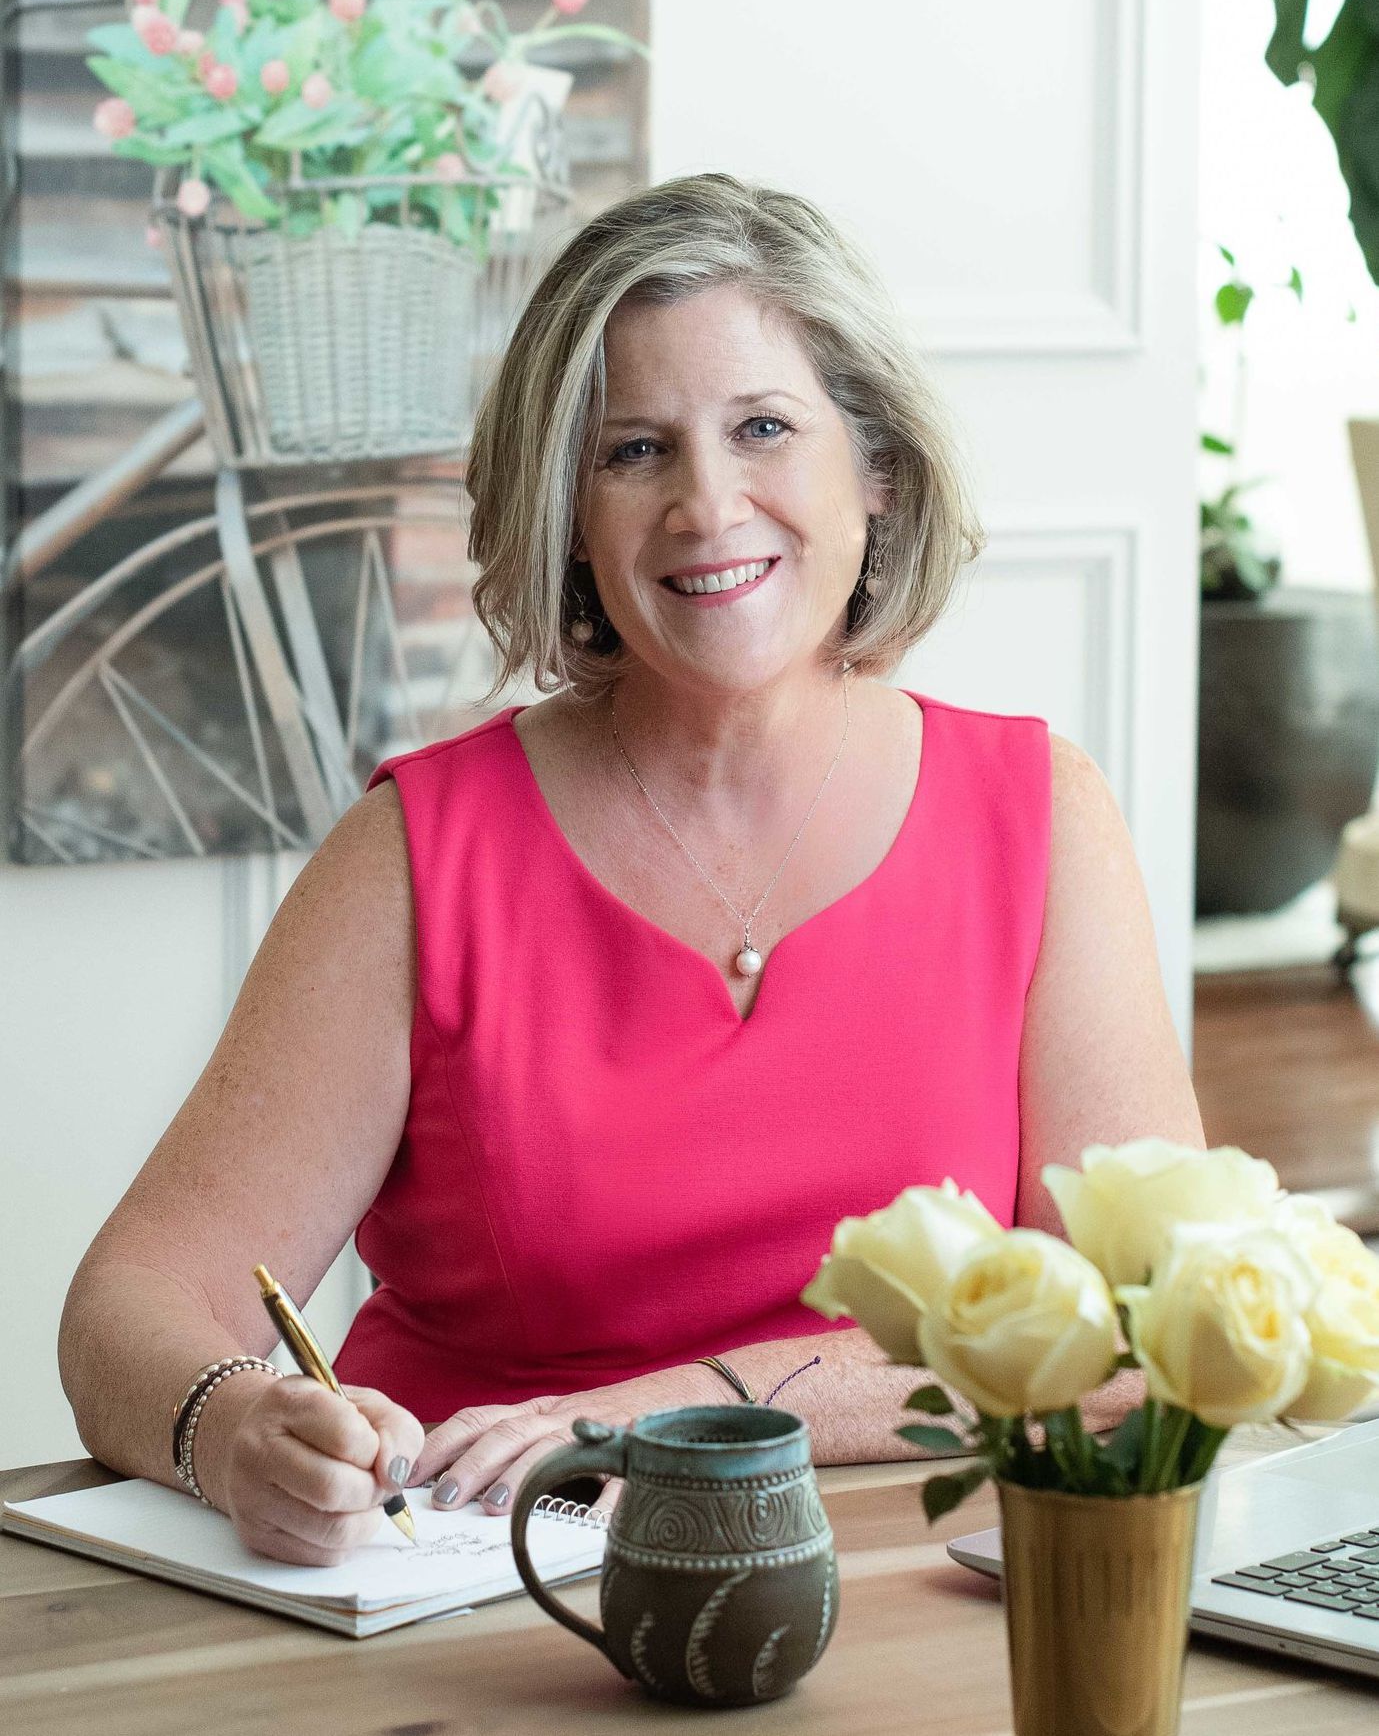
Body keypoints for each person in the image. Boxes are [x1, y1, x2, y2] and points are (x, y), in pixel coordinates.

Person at [59, 173, 1203, 1568]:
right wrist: (236, 1428)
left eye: (765, 428)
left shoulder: (1044, 816)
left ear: (877, 468)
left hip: (910, 1600)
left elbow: (1132, 1325)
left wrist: (662, 1414)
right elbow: (133, 1298)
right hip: (481, 1618)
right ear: (572, 519)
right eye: (635, 452)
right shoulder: (420, 854)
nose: (707, 505)